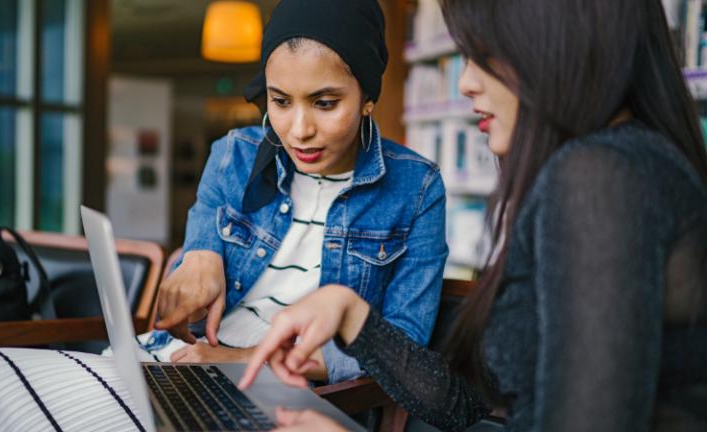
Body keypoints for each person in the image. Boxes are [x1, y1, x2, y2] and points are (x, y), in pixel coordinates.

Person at [240, 0, 707, 430]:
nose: (465, 82)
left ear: (559, 39)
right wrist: (352, 316)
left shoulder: (600, 178)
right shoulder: (620, 165)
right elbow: (468, 406)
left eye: (484, 53)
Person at [149, 0, 447, 385]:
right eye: (281, 101)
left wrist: (240, 359)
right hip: (184, 360)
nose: (299, 130)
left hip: (292, 392)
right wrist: (198, 255)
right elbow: (200, 237)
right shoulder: (233, 154)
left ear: (368, 98)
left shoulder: (417, 188)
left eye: (325, 103)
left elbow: (401, 346)